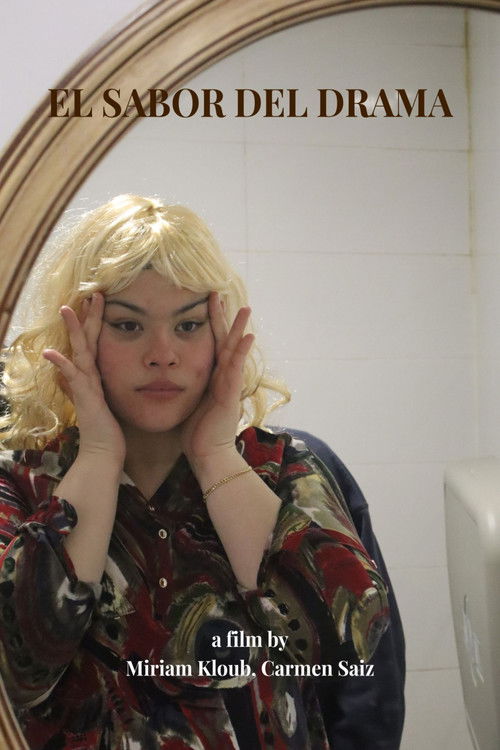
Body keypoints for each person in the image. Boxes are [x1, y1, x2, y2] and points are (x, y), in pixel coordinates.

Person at [0, 194, 389, 749]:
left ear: (220, 334)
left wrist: (214, 455)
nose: (163, 353)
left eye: (187, 325)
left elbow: (352, 646)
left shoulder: (283, 468)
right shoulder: (21, 481)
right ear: (77, 334)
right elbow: (17, 675)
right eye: (128, 325)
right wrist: (100, 456)